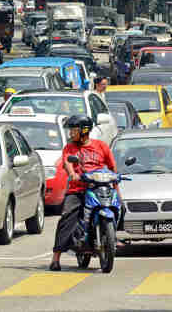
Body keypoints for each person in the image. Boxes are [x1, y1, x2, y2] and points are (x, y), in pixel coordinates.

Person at [49, 115, 117, 271]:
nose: (71, 134)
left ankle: (112, 238)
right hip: (78, 188)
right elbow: (67, 162)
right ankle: (56, 258)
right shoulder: (70, 148)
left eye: (74, 130)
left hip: (100, 186)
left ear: (84, 131)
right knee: (67, 217)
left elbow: (112, 167)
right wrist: (73, 173)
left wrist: (117, 186)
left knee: (119, 207)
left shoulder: (101, 146)